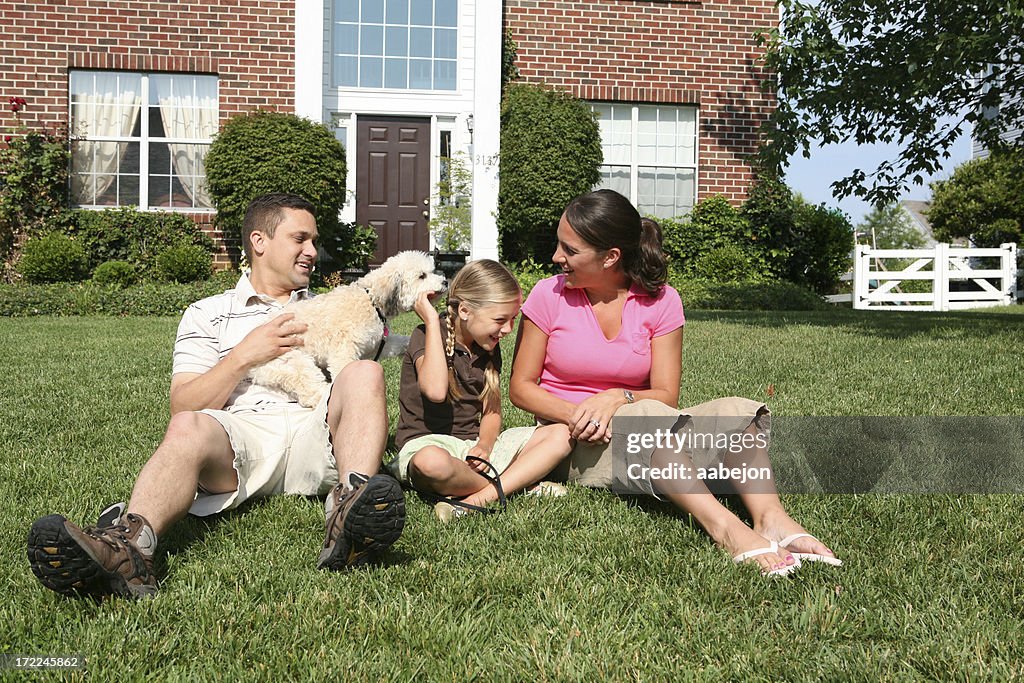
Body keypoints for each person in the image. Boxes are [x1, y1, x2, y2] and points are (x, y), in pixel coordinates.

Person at [27, 193, 406, 598]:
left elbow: (378, 357)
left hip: (317, 433)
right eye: (300, 239)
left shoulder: (333, 308)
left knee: (365, 372)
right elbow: (183, 404)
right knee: (188, 424)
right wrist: (244, 355)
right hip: (241, 440)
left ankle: (352, 511)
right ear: (260, 242)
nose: (312, 251)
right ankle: (127, 548)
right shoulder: (207, 313)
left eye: (314, 241)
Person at [509, 189, 840, 576]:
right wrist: (584, 415)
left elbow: (667, 394)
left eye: (569, 249)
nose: (556, 257)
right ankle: (726, 528)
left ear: (611, 256)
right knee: (647, 416)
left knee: (736, 410)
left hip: (643, 425)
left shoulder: (662, 300)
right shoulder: (548, 295)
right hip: (572, 439)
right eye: (559, 245)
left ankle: (771, 519)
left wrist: (618, 396)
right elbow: (521, 387)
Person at [388, 259, 573, 521]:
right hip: (428, 446)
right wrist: (430, 320)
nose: (508, 329)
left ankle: (481, 495)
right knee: (431, 462)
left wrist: (485, 446)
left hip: (475, 450)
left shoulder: (487, 347)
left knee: (561, 433)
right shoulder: (426, 334)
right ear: (464, 311)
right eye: (500, 320)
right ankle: (516, 483)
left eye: (513, 319)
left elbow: (492, 412)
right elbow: (436, 391)